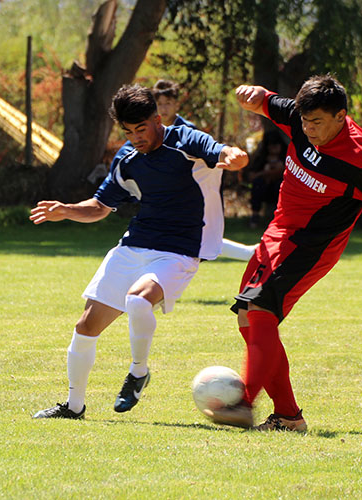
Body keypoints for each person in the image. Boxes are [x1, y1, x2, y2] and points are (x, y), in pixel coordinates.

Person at [202, 76, 362, 432]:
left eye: (317, 122)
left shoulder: (361, 159)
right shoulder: (299, 116)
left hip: (313, 244)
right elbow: (264, 100)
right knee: (248, 320)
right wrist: (251, 95)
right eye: (305, 121)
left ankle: (243, 403)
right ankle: (288, 417)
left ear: (341, 116)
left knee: (261, 310)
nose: (308, 129)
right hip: (278, 232)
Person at [31, 84, 248, 419]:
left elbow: (222, 152)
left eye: (141, 129)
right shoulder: (127, 158)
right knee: (85, 327)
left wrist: (234, 157)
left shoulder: (185, 141)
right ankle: (73, 407)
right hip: (134, 245)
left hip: (178, 251)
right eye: (128, 132)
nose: (135, 138)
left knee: (137, 300)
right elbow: (100, 207)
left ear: (157, 119)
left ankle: (138, 372)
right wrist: (67, 210)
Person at [152, 79, 255, 261]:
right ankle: (249, 254)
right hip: (170, 191)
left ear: (176, 104)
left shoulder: (186, 130)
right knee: (191, 236)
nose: (164, 108)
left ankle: (250, 254)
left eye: (168, 103)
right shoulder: (154, 131)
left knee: (197, 236)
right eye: (159, 104)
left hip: (194, 189)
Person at [247, 129, 287, 227]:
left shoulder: (286, 157)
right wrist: (265, 173)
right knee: (258, 183)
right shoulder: (261, 158)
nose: (274, 148)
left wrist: (277, 171)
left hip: (280, 190)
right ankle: (255, 217)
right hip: (264, 190)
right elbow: (251, 176)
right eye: (271, 146)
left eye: (276, 145)